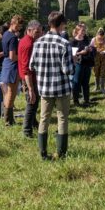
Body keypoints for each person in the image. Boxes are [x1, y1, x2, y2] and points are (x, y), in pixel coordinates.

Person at [30, 11, 74, 160]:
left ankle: (43, 153)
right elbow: (67, 70)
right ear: (62, 24)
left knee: (44, 118)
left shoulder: (37, 43)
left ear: (49, 24)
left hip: (44, 88)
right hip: (61, 88)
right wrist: (74, 61)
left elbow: (32, 66)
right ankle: (61, 153)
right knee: (62, 119)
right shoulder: (64, 44)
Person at [18, 20, 43, 138]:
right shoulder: (28, 44)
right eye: (37, 32)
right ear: (29, 30)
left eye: (40, 32)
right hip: (29, 79)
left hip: (30, 78)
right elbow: (26, 68)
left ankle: (34, 124)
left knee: (34, 103)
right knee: (31, 103)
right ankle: (27, 131)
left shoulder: (28, 40)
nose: (40, 34)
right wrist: (31, 88)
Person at [1, 15, 24, 126]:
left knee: (7, 93)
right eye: (18, 26)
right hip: (12, 66)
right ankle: (8, 121)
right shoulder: (13, 37)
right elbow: (12, 56)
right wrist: (23, 57)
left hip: (5, 64)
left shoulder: (5, 34)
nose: (19, 29)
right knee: (11, 93)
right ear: (13, 23)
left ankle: (8, 119)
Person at [70, 24, 94, 107]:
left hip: (87, 63)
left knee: (86, 82)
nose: (84, 32)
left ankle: (86, 100)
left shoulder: (86, 39)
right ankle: (76, 101)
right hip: (78, 64)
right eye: (82, 30)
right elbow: (72, 54)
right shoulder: (73, 41)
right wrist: (81, 52)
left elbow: (90, 48)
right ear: (77, 31)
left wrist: (90, 49)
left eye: (84, 30)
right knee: (76, 82)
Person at [90, 27, 105, 93]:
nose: (101, 38)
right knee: (96, 72)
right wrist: (95, 49)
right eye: (99, 37)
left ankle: (102, 88)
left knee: (103, 72)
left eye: (102, 37)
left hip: (104, 57)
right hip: (96, 58)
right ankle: (96, 87)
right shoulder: (93, 39)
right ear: (97, 35)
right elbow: (90, 48)